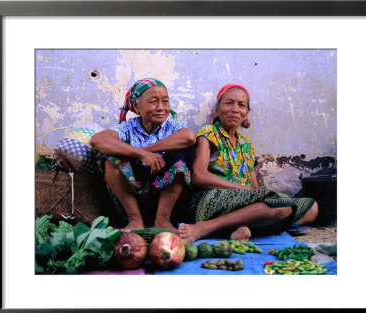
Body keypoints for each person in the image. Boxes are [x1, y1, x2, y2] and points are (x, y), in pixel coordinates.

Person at [178, 83, 318, 243]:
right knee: (281, 207)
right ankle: (205, 228)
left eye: (241, 105)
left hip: (244, 202)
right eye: (229, 103)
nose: (235, 109)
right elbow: (198, 176)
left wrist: (255, 196)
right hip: (210, 200)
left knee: (311, 208)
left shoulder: (246, 145)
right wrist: (244, 190)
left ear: (246, 114)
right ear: (217, 110)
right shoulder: (209, 134)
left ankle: (242, 227)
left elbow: (255, 189)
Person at [90, 78, 195, 233]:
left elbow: (189, 137)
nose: (161, 107)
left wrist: (148, 151)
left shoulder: (172, 126)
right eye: (153, 101)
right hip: (134, 196)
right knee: (110, 159)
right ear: (137, 106)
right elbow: (97, 140)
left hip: (166, 198)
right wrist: (141, 154)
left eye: (165, 101)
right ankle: (135, 220)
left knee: (184, 153)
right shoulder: (128, 127)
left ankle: (162, 219)